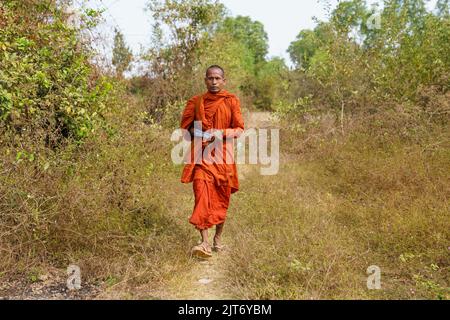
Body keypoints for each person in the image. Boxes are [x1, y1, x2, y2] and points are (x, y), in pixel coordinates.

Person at [180, 65, 245, 258]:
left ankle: (217, 239)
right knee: (201, 196)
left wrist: (220, 133)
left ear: (224, 81)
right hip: (202, 157)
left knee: (221, 198)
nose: (214, 82)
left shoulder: (231, 101)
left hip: (224, 158)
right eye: (210, 78)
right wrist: (201, 134)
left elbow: (239, 129)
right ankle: (204, 243)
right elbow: (186, 130)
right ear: (205, 80)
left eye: (217, 78)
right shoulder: (196, 102)